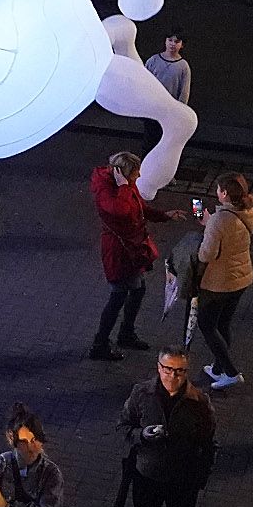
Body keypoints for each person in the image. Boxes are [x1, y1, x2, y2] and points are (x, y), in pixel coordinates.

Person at [116, 350, 214, 507]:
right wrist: (142, 435)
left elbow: (209, 443)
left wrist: (200, 477)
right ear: (158, 367)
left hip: (182, 481)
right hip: (147, 476)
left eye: (179, 370)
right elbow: (124, 426)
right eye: (168, 368)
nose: (173, 375)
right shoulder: (142, 393)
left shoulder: (199, 402)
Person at [86, 153, 174, 361]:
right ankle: (102, 343)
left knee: (135, 291)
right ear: (122, 174)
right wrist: (125, 187)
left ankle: (123, 334)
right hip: (120, 253)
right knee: (119, 296)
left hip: (130, 250)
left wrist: (163, 216)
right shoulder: (109, 192)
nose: (139, 175)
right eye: (135, 173)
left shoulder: (124, 186)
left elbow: (139, 207)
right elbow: (121, 211)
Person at [192, 173, 253, 390]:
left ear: (225, 193)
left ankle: (230, 372)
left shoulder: (220, 220)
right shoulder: (248, 212)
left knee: (207, 325)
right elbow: (231, 235)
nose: (216, 192)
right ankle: (218, 368)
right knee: (223, 323)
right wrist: (210, 224)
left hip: (219, 282)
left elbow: (206, 254)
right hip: (242, 277)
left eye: (219, 189)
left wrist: (209, 228)